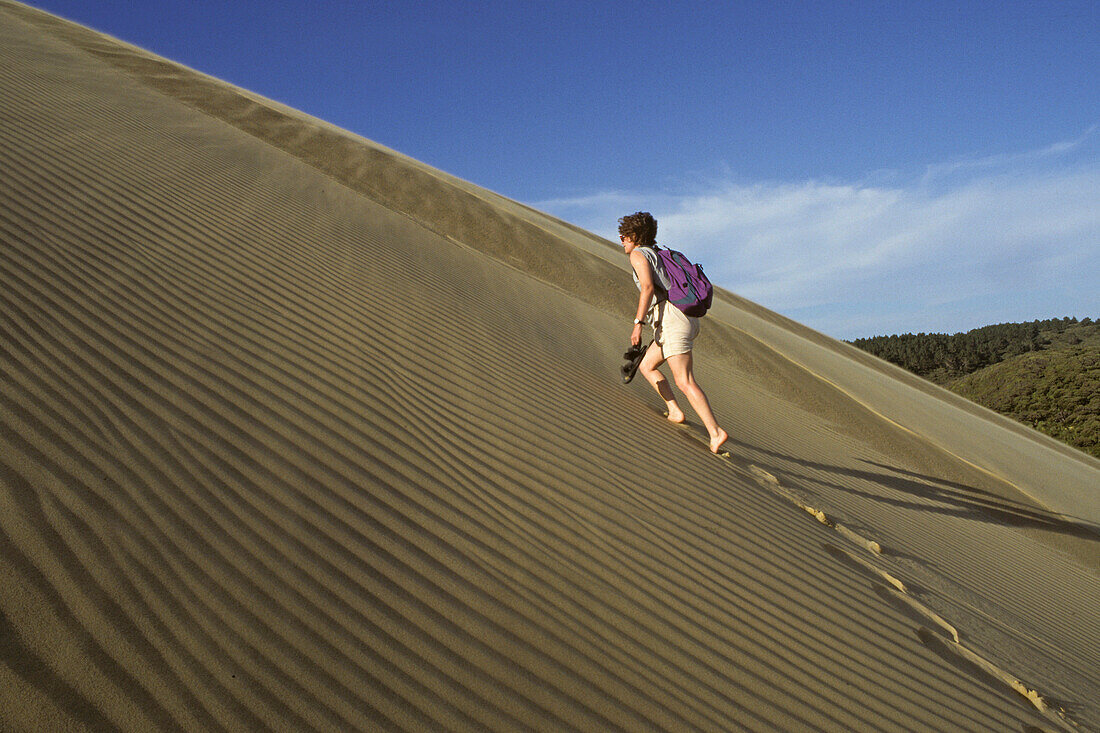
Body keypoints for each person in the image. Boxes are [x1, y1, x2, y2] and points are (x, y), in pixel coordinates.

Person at [619, 211, 729, 454]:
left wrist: (638, 323)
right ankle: (676, 411)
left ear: (636, 236)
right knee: (647, 366)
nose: (621, 238)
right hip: (683, 319)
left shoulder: (639, 254)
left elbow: (647, 288)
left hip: (673, 319)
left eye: (625, 234)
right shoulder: (658, 253)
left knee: (684, 380)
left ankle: (715, 432)